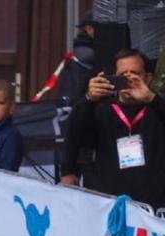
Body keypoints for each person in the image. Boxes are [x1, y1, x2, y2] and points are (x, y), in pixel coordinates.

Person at [61, 49, 165, 210]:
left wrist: (151, 98)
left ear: (148, 78)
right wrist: (89, 99)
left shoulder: (156, 108)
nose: (129, 79)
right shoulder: (100, 109)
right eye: (123, 75)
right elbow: (74, 134)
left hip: (153, 205)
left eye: (135, 74)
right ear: (114, 78)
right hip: (109, 201)